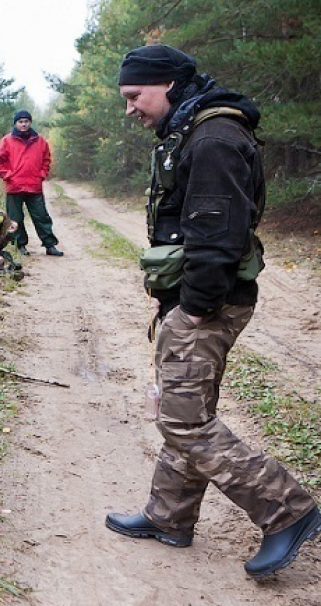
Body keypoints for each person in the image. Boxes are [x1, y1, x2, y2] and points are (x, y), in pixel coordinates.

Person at [106, 44, 320, 578]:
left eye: (135, 96)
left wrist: (194, 309)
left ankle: (287, 510)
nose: (129, 108)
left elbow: (217, 235)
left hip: (208, 304)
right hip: (198, 299)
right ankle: (169, 516)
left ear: (168, 85)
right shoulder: (196, 130)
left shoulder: (214, 137)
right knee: (190, 410)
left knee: (184, 422)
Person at [0, 110, 64, 257]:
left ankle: (50, 245)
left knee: (41, 216)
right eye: (20, 122)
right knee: (15, 219)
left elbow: (46, 160)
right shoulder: (7, 140)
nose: (24, 124)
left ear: (30, 122)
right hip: (14, 186)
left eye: (26, 121)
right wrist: (8, 175)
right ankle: (20, 246)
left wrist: (41, 175)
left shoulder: (40, 141)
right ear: (16, 123)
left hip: (34, 186)